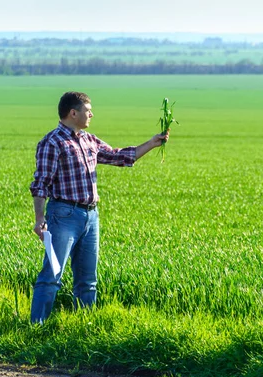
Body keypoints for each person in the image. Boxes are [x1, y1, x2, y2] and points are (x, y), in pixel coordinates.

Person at [29, 91, 168, 324]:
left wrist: (153, 143)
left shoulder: (89, 140)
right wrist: (39, 218)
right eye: (87, 110)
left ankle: (84, 328)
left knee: (87, 280)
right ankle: (37, 326)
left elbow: (119, 156)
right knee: (52, 275)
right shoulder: (52, 143)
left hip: (90, 216)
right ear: (73, 113)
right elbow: (40, 183)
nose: (91, 114)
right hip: (63, 215)